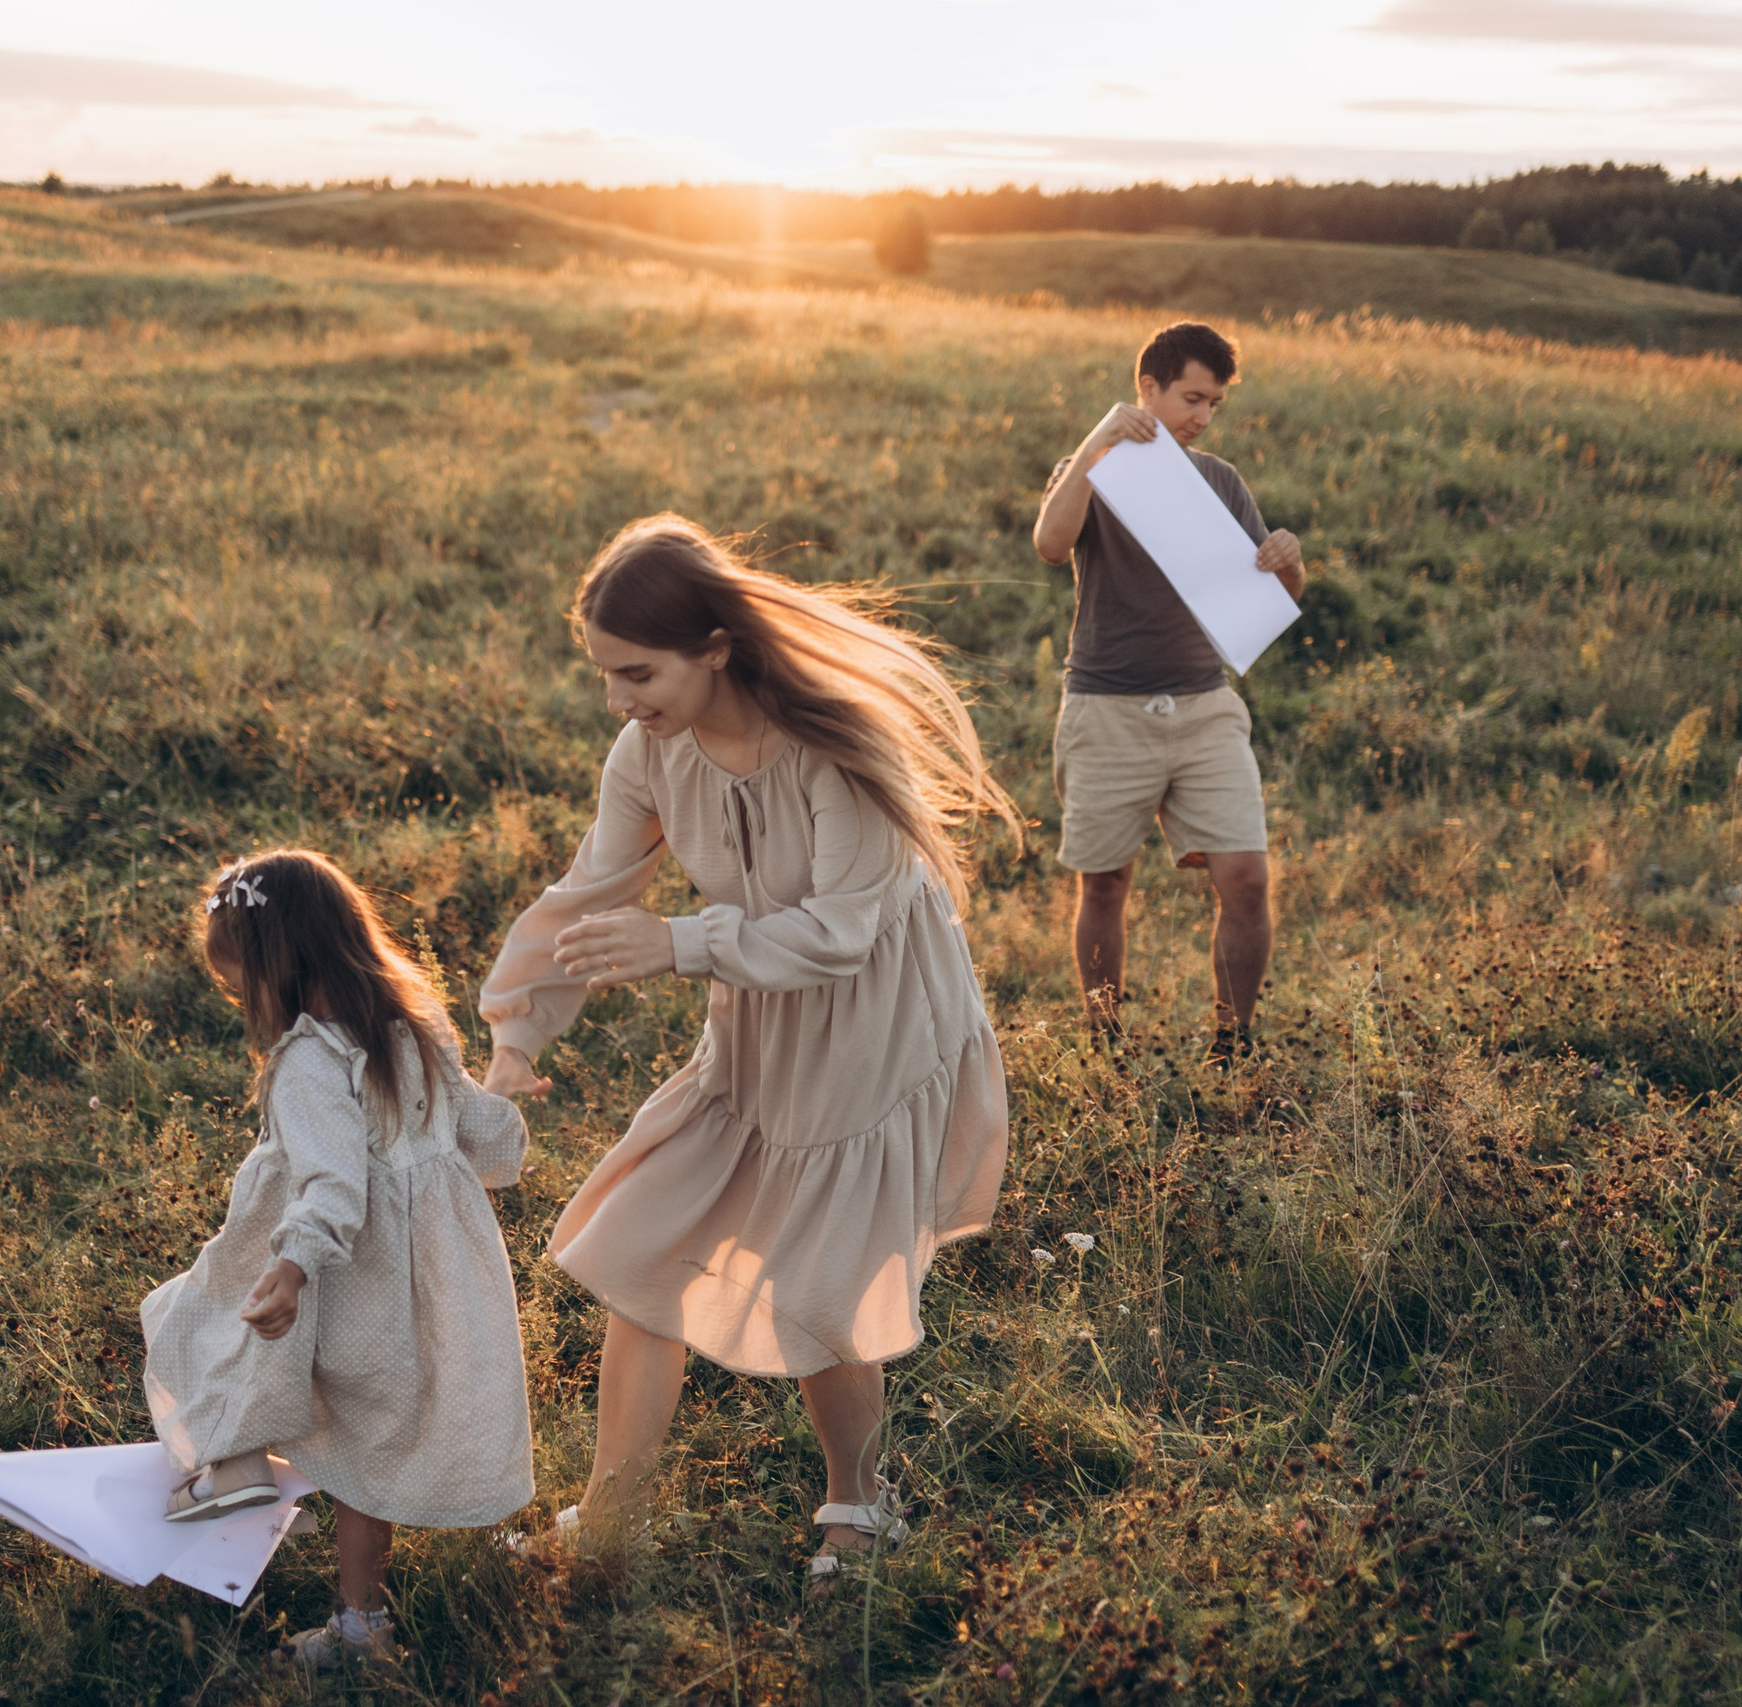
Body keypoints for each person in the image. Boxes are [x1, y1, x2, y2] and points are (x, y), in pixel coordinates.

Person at [479, 515, 1019, 1578]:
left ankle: (859, 1505)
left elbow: (841, 935)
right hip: (755, 1025)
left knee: (820, 1280)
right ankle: (610, 1517)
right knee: (641, 1248)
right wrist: (515, 1034)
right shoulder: (647, 751)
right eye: (602, 673)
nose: (616, 699)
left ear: (715, 647)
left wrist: (678, 943)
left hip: (868, 1023)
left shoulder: (830, 745)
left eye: (636, 672)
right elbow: (589, 896)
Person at [139, 849, 534, 1670]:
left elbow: (331, 1182)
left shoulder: (311, 1063)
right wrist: (507, 1119)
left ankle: (356, 1620)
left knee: (209, 1327)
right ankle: (248, 1464)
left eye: (239, 983)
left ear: (279, 968)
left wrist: (292, 1264)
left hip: (350, 1267)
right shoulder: (416, 1023)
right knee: (390, 1414)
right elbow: (473, 1125)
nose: (242, 1002)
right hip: (438, 1261)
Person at [1030, 320, 1306, 1067]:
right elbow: (1051, 545)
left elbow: (1269, 597)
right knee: (1107, 886)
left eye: (1214, 403)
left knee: (1247, 881)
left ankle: (1232, 1044)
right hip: (1106, 706)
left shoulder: (1218, 481)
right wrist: (1094, 446)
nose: (1202, 417)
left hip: (1203, 704)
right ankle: (1105, 1044)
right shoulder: (1092, 468)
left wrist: (1287, 561)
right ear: (1145, 388)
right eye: (1191, 397)